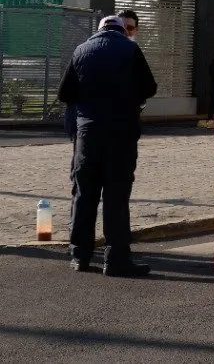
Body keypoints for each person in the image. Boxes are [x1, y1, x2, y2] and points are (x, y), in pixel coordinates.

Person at [57, 14, 158, 277]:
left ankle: (80, 255)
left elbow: (64, 94)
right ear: (122, 31)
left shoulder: (81, 50)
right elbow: (149, 87)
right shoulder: (130, 49)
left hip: (87, 133)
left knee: (84, 193)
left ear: (99, 30)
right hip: (121, 132)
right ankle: (116, 258)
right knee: (116, 195)